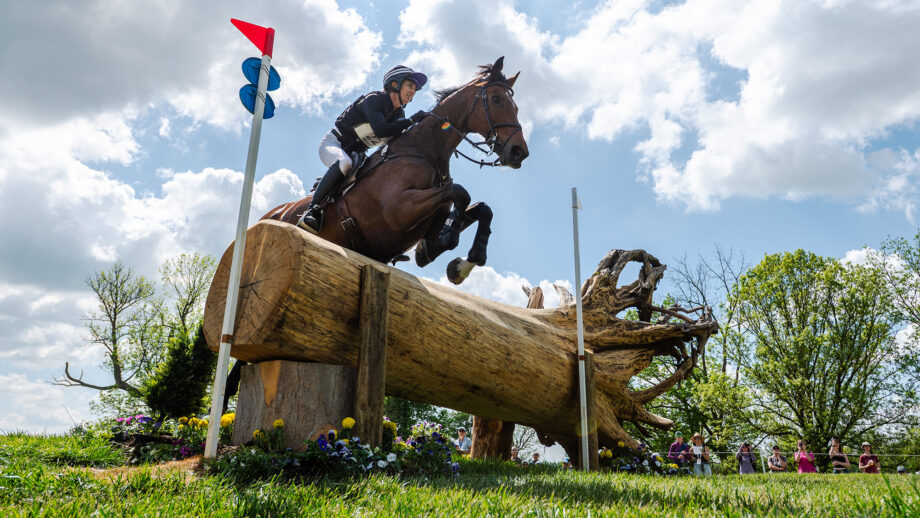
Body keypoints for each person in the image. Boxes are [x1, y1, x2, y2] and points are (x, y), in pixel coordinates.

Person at [297, 65, 428, 233]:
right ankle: (312, 210)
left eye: (415, 89)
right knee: (344, 163)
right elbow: (381, 129)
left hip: (358, 156)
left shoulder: (399, 116)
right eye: (410, 86)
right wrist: (410, 121)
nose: (413, 92)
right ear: (395, 84)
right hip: (334, 144)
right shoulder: (373, 99)